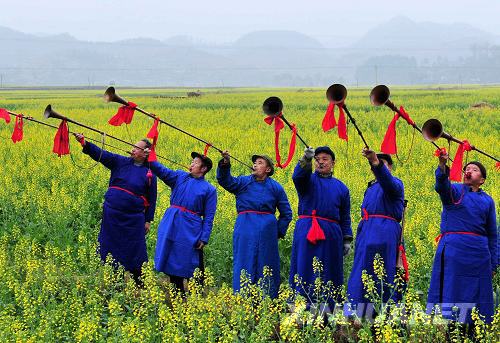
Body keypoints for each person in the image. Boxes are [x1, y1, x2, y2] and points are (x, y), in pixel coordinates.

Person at [74, 133, 157, 284]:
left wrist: (148, 220)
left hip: (133, 219)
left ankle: (140, 282)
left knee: (135, 250)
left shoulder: (150, 173)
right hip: (112, 216)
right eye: (133, 147)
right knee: (111, 249)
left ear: (145, 153)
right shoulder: (120, 161)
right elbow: (102, 154)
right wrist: (85, 143)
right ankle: (115, 282)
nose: (132, 150)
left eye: (137, 148)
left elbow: (152, 198)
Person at [427, 155, 497, 325]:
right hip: (454, 251)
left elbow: (492, 234)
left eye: (474, 169)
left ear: (482, 180)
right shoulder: (455, 191)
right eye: (467, 168)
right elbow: (441, 186)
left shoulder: (488, 201)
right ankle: (452, 328)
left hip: (479, 255)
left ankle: (475, 330)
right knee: (452, 288)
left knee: (477, 294)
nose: (469, 170)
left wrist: (493, 263)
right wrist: (442, 166)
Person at [217, 152, 292, 298]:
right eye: (255, 163)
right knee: (244, 259)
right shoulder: (243, 181)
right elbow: (225, 181)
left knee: (266, 262)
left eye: (259, 163)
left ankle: (267, 298)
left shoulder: (276, 187)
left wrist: (277, 232)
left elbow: (286, 213)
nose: (255, 165)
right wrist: (225, 163)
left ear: (268, 169)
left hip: (267, 230)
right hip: (245, 227)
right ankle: (243, 296)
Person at [345, 149, 405, 318]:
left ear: (390, 167)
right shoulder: (371, 187)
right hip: (367, 231)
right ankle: (357, 313)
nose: (377, 168)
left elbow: (387, 182)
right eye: (374, 165)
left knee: (384, 270)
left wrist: (377, 164)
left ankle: (386, 314)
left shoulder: (396, 183)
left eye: (383, 164)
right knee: (362, 270)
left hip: (384, 231)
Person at [146, 150, 217, 292]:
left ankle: (196, 296)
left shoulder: (209, 189)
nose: (191, 164)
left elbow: (209, 216)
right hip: (172, 223)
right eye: (192, 162)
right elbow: (162, 171)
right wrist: (150, 158)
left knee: (192, 260)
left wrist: (204, 237)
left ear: (203, 169)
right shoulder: (179, 176)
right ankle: (176, 294)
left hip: (191, 227)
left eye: (195, 163)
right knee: (172, 258)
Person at [289, 146, 352, 305]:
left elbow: (345, 216)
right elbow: (298, 176)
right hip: (307, 229)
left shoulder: (342, 188)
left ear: (333, 163)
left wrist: (347, 239)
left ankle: (329, 307)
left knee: (329, 269)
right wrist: (305, 158)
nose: (321, 162)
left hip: (331, 233)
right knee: (304, 266)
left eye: (325, 159)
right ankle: (301, 304)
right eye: (318, 159)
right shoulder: (307, 180)